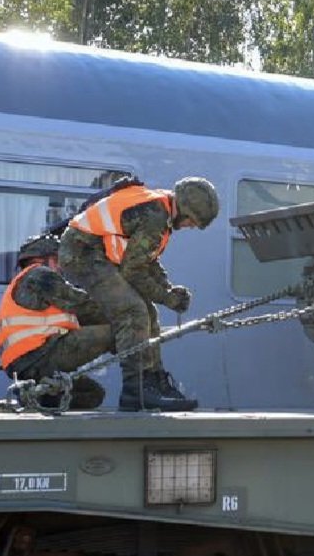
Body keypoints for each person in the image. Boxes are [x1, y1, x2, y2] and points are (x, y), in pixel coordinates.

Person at [57, 176, 219, 412]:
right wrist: (168, 297)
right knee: (132, 311)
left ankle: (153, 381)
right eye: (192, 221)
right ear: (183, 210)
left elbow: (147, 262)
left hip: (95, 252)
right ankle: (136, 391)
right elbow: (133, 271)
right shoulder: (155, 216)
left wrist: (167, 288)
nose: (190, 227)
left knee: (148, 312)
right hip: (82, 254)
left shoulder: (160, 208)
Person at [0, 234, 114, 409]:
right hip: (39, 358)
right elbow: (84, 305)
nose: (61, 267)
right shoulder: (40, 275)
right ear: (45, 258)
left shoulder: (24, 284)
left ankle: (38, 399)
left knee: (92, 394)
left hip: (27, 365)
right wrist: (125, 316)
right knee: (119, 330)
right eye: (58, 261)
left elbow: (82, 315)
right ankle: (140, 388)